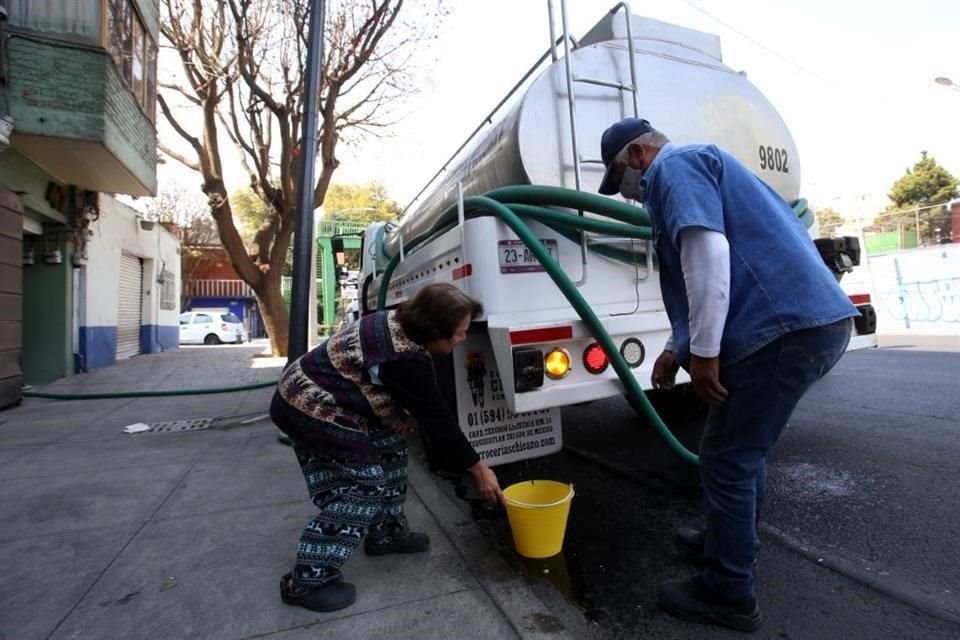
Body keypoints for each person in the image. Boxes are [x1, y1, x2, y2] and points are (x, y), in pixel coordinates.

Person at [597, 118, 859, 632]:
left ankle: (728, 592)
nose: (625, 194)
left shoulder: (674, 166)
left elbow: (708, 254)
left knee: (727, 457)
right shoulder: (700, 165)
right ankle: (727, 541)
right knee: (739, 448)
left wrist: (707, 354)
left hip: (781, 329)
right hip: (806, 323)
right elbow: (711, 268)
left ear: (636, 155)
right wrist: (679, 347)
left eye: (619, 178)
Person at [270, 283, 505, 613]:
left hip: (339, 396)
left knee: (392, 449)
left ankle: (386, 533)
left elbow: (406, 395)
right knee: (364, 485)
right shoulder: (403, 356)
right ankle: (308, 579)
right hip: (307, 404)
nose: (462, 339)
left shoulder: (403, 322)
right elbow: (437, 419)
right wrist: (479, 469)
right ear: (431, 330)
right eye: (458, 333)